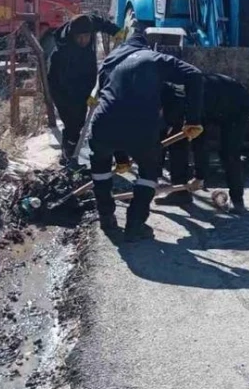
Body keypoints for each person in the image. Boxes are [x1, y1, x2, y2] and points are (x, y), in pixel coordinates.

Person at [88, 31, 205, 242]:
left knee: (101, 171)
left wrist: (121, 159)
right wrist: (193, 119)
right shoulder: (153, 58)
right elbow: (194, 74)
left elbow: (114, 103)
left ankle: (106, 219)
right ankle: (135, 224)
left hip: (103, 124)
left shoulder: (111, 63)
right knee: (148, 172)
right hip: (140, 126)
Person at [160, 73, 249, 214]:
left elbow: (200, 142)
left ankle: (237, 200)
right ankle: (180, 193)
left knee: (229, 152)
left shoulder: (182, 100)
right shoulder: (165, 96)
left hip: (236, 104)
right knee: (176, 143)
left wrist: (199, 177)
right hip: (210, 102)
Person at [46, 14, 121, 162]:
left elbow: (100, 22)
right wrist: (87, 97)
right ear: (73, 36)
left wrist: (116, 31)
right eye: (79, 37)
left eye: (86, 36)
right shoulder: (62, 53)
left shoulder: (89, 23)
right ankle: (68, 154)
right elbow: (67, 84)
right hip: (63, 91)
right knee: (73, 122)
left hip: (83, 80)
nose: (83, 41)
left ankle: (71, 149)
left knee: (79, 120)